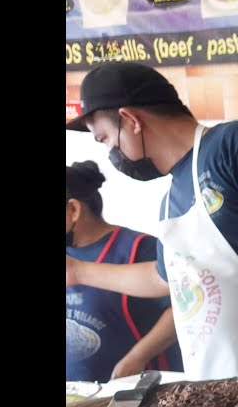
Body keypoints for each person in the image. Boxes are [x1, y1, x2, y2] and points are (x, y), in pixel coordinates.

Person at [65, 61, 238, 380]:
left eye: (105, 138)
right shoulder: (170, 202)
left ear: (131, 120)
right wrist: (79, 272)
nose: (110, 151)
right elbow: (164, 279)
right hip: (232, 383)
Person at [67, 160, 183, 382]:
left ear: (73, 210)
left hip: (136, 389)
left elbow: (182, 307)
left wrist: (138, 356)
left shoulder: (139, 248)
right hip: (78, 396)